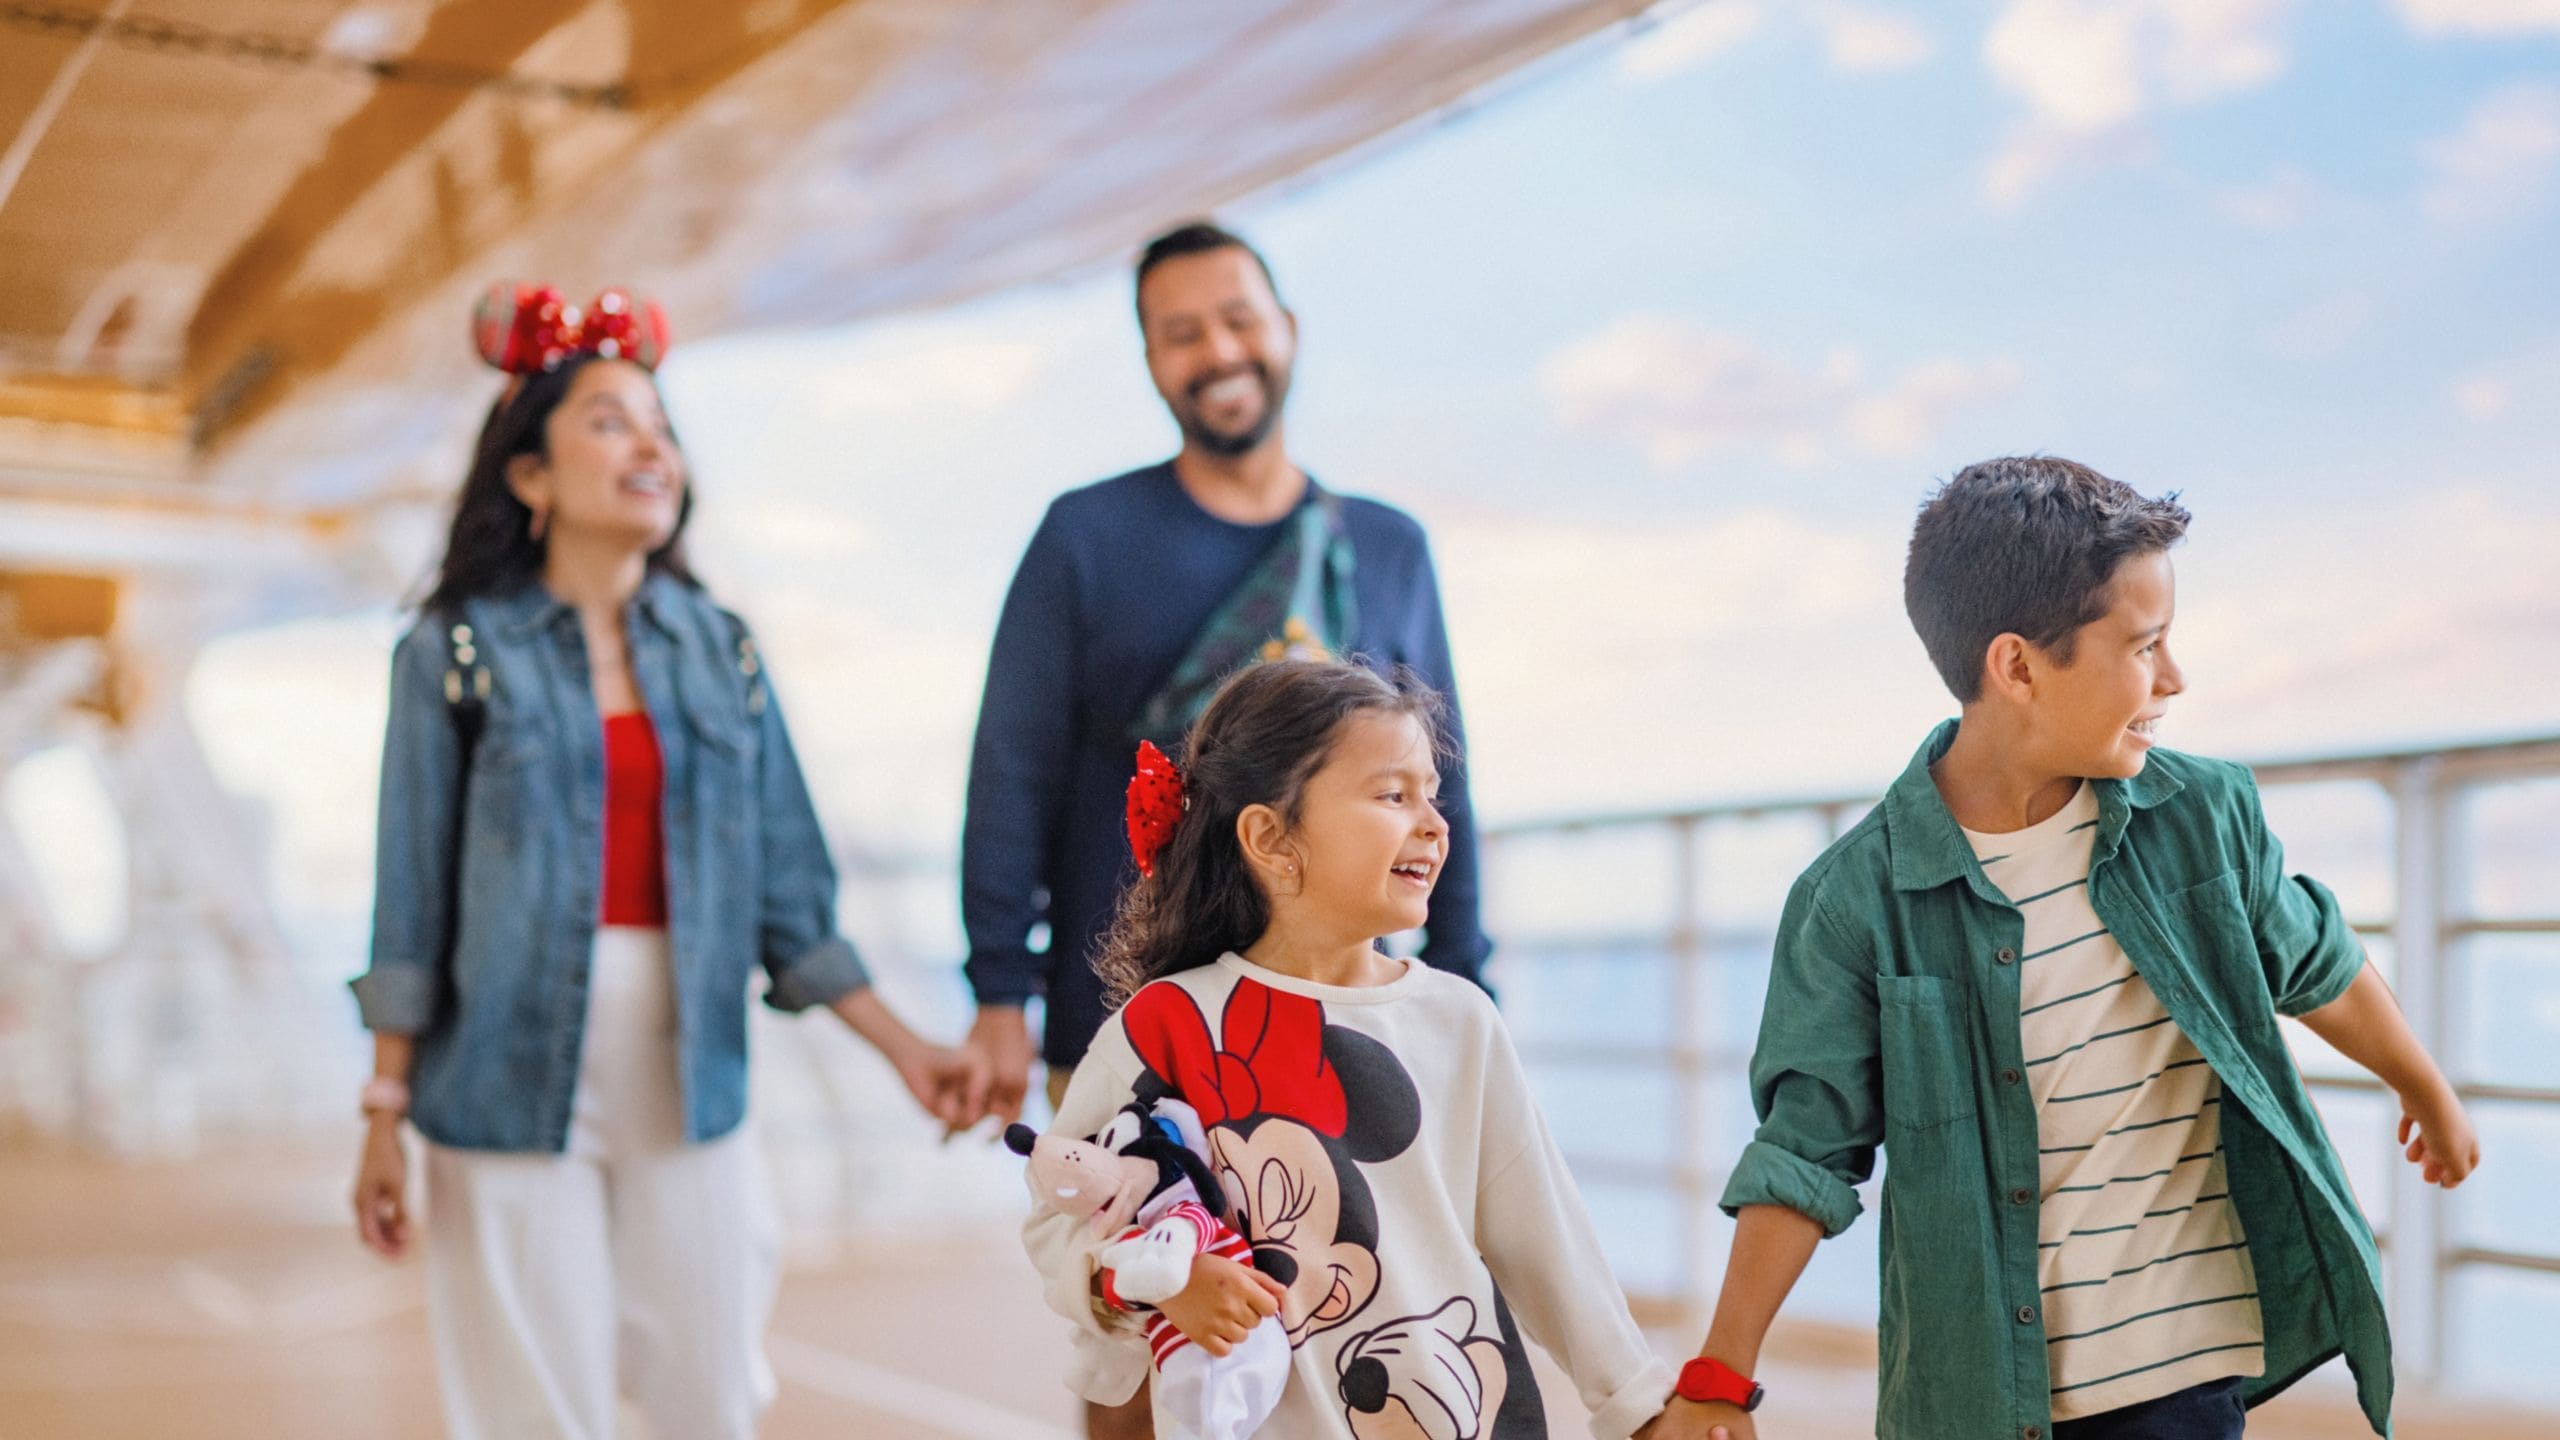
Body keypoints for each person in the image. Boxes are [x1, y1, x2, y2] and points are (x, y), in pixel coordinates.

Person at [1654, 457, 2481, 1440]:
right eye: (2143, 645)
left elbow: (2312, 958)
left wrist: (2421, 1085)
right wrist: (1720, 1373)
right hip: (1974, 1397)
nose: (2173, 677)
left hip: (2183, 1375)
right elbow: (1806, 1146)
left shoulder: (2203, 817)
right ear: (2017, 666)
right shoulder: (1854, 904)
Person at [347, 285, 974, 1440]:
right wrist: (384, 1112)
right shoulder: (452, 652)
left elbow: (793, 899)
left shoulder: (721, 650)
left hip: (694, 1076)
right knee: (536, 1408)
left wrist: (906, 1051)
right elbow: (410, 903)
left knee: (711, 1392)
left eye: (661, 426)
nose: (651, 446)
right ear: (529, 477)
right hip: (496, 1083)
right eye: (608, 421)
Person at [1025, 658, 1679, 1440]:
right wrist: (1155, 1283)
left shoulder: (1459, 1019)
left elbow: (1541, 1235)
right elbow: (1059, 1215)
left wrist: (1637, 1404)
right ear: (1271, 837)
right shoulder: (1167, 1023)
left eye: (1433, 796)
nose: (1435, 824)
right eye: (1393, 795)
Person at [957, 221, 1487, 1140]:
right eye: (1182, 333)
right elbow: (1013, 771)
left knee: (1354, 1277)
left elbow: (1443, 783)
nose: (1219, 352)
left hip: (1349, 1018)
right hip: (1127, 1013)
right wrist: (1001, 993)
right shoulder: (1084, 538)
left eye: (1239, 320)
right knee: (1138, 1280)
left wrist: (1463, 982)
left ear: (1286, 326)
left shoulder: (1385, 548)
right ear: (1152, 361)